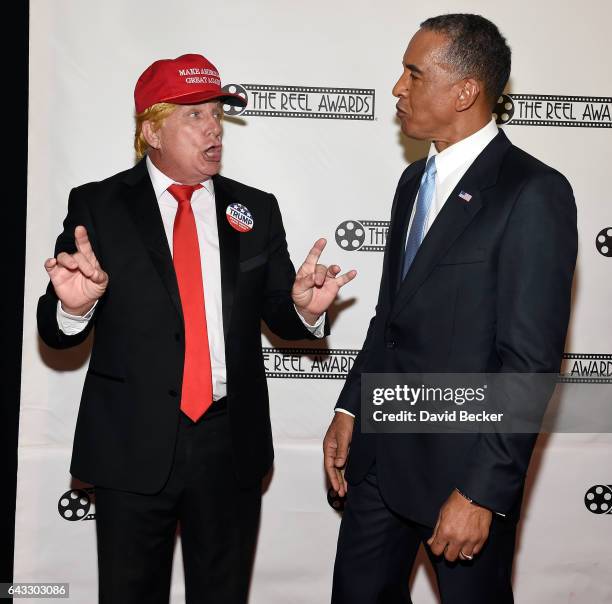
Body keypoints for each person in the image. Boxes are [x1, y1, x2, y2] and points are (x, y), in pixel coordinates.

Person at [37, 53, 355, 604]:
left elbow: (281, 310)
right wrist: (74, 306)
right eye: (194, 115)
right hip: (131, 444)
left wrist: (304, 309)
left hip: (228, 443)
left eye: (216, 113)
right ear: (151, 130)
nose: (213, 128)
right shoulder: (98, 205)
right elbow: (56, 330)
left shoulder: (255, 208)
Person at [324, 14, 577, 604]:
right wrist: (351, 407)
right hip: (378, 466)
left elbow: (530, 362)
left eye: (414, 74)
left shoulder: (532, 192)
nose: (397, 88)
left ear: (465, 91)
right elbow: (390, 316)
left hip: (460, 481)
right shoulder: (413, 182)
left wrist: (483, 493)